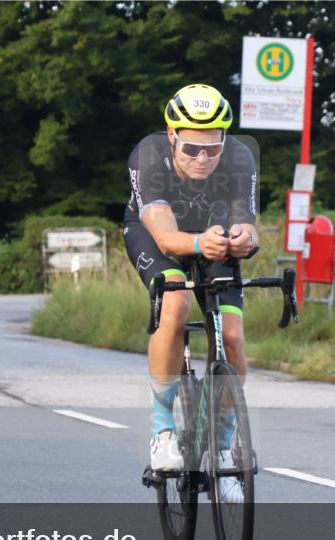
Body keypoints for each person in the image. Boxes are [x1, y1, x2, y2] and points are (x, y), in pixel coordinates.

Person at [124, 84, 259, 502]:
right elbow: (165, 236)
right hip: (155, 237)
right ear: (171, 135)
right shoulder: (148, 155)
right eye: (191, 149)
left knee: (233, 338)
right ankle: (163, 430)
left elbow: (249, 224)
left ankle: (225, 448)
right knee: (177, 298)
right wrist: (201, 244)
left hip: (212, 236)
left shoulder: (239, 155)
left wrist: (242, 239)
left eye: (212, 148)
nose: (203, 159)